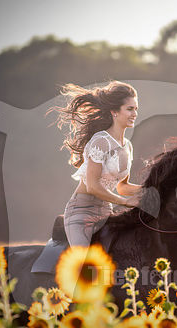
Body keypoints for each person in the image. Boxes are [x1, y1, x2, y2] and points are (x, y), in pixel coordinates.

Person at [47, 80, 143, 247]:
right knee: (84, 265)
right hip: (81, 212)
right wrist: (125, 202)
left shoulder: (127, 146)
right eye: (129, 109)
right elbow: (92, 186)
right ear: (114, 112)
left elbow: (122, 186)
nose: (134, 113)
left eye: (136, 109)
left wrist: (151, 189)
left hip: (106, 213)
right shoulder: (101, 141)